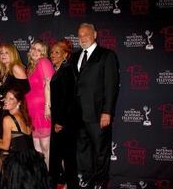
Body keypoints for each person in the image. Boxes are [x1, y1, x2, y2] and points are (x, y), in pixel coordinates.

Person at [70, 23, 119, 189]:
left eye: (86, 34)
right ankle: (86, 177)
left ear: (95, 34)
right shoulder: (74, 56)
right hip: (78, 114)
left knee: (100, 150)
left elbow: (111, 86)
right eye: (79, 35)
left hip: (98, 113)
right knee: (82, 150)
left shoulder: (106, 55)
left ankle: (100, 181)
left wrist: (107, 112)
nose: (82, 38)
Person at [0, 88, 51, 189]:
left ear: (19, 103)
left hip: (19, 163)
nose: (7, 101)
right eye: (6, 98)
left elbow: (5, 146)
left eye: (11, 99)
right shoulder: (25, 117)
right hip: (33, 160)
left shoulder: (8, 119)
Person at [49, 39, 77, 189]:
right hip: (60, 120)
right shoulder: (60, 70)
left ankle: (69, 184)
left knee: (65, 156)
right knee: (59, 155)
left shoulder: (66, 71)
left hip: (63, 122)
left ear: (65, 55)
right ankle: (60, 183)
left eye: (57, 52)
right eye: (52, 52)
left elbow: (68, 99)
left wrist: (60, 121)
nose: (53, 54)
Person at [26, 40, 55, 169]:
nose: (35, 52)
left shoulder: (44, 62)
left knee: (45, 147)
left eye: (39, 50)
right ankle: (41, 177)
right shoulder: (29, 67)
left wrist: (47, 106)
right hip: (32, 111)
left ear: (43, 53)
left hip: (42, 110)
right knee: (37, 148)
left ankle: (49, 178)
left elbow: (49, 84)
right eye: (33, 48)